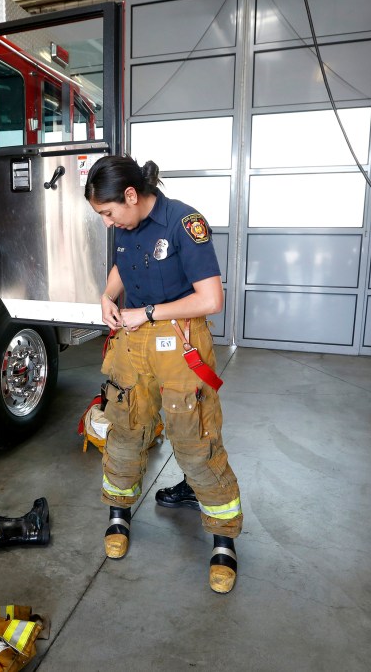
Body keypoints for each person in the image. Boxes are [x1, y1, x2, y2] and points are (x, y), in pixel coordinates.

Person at [84, 155, 243, 593]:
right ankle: (118, 513)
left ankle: (223, 540)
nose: (107, 222)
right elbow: (123, 265)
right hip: (132, 343)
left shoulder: (184, 223)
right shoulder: (125, 225)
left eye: (108, 212)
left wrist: (149, 312)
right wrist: (107, 296)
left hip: (180, 339)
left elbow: (211, 299)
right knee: (124, 428)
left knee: (194, 438)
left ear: (131, 196)